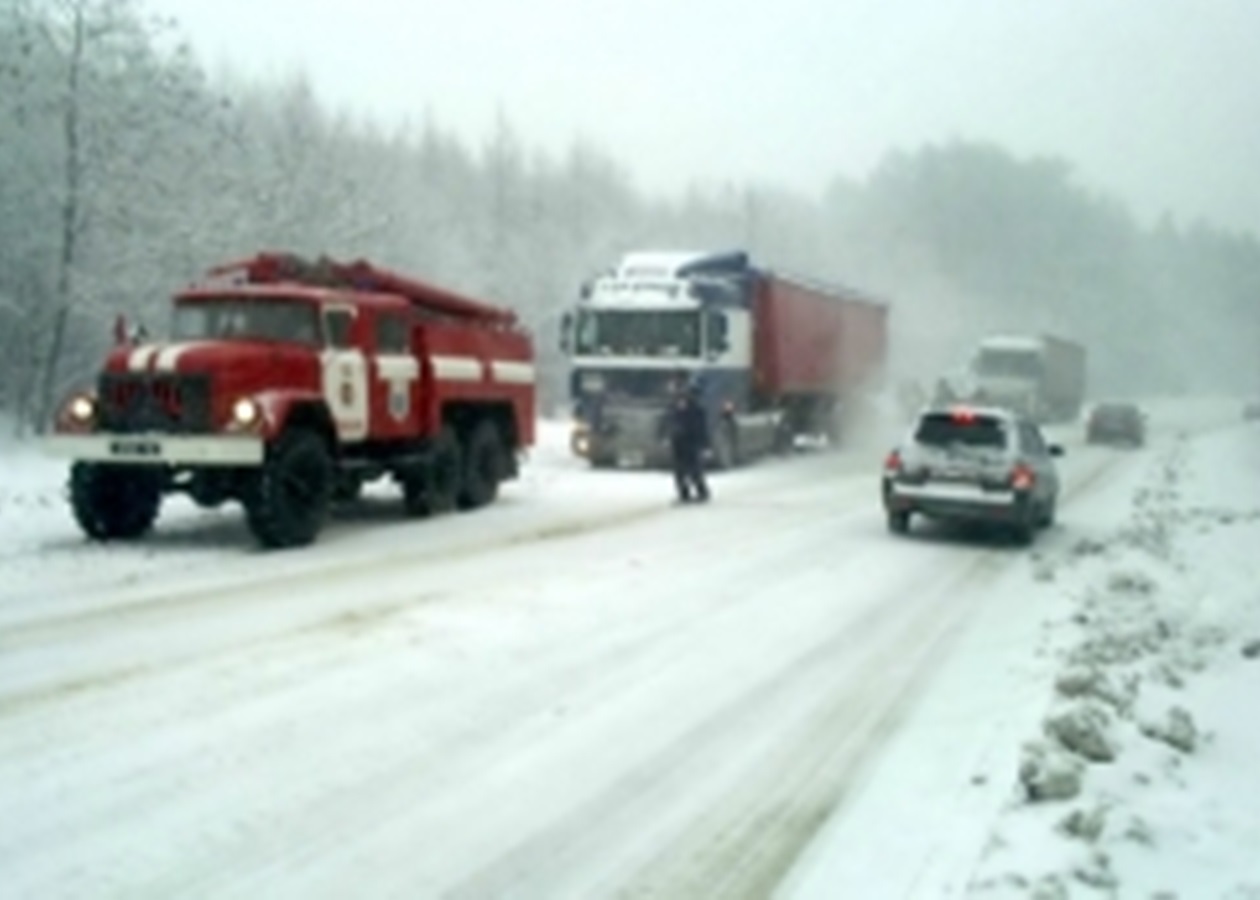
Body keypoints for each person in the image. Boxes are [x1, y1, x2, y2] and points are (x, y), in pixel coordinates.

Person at [668, 377, 711, 504]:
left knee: (694, 471)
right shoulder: (674, 410)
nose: (681, 402)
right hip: (678, 444)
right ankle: (683, 493)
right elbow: (668, 423)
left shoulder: (696, 410)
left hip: (691, 444)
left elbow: (701, 429)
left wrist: (704, 445)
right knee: (679, 472)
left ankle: (702, 492)